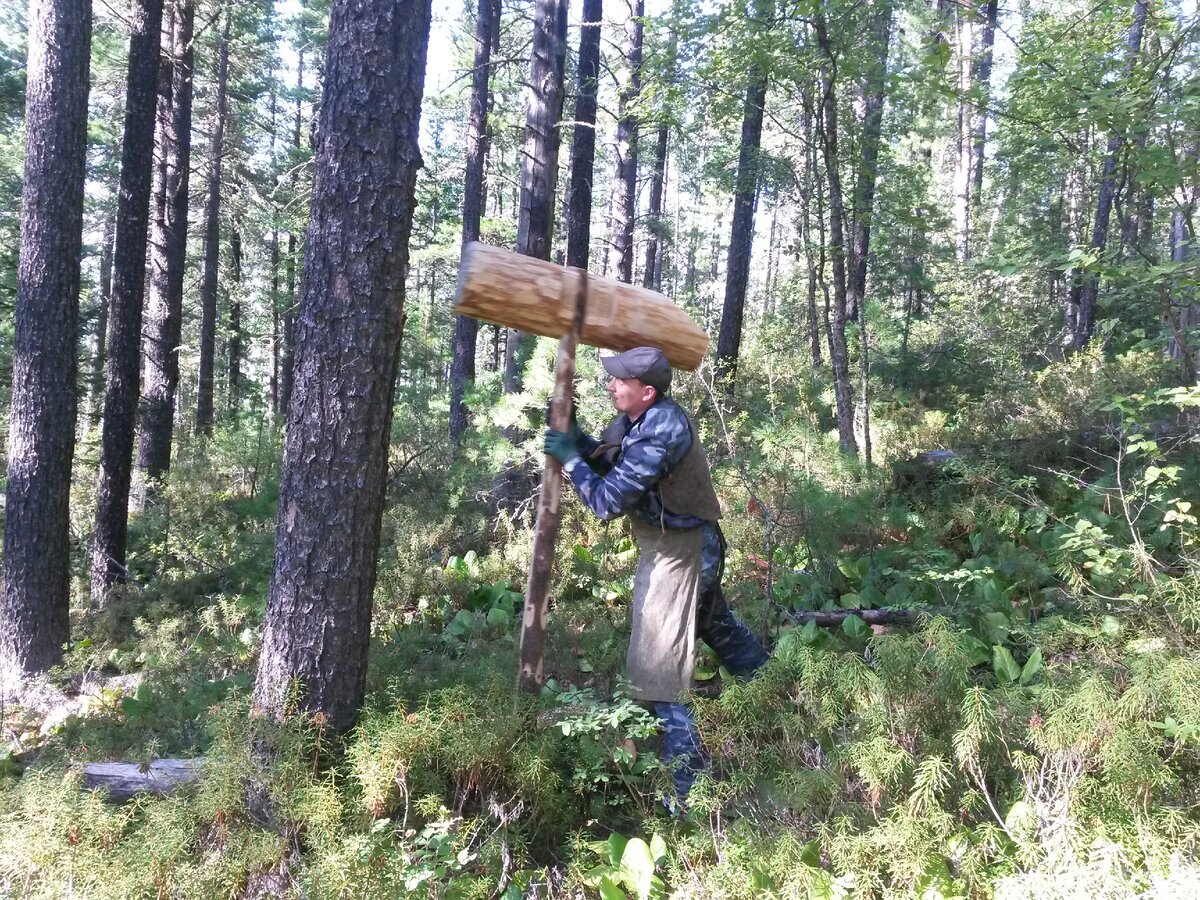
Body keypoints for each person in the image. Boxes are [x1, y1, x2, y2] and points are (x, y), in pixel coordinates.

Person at [543, 346, 770, 802]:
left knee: (659, 666)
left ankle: (686, 791)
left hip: (683, 552)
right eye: (611, 379)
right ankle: (776, 698)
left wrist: (570, 461)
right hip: (677, 544)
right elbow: (613, 459)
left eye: (619, 381)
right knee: (715, 627)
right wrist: (580, 440)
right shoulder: (635, 420)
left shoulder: (662, 429)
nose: (610, 385)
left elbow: (608, 501)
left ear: (647, 391)